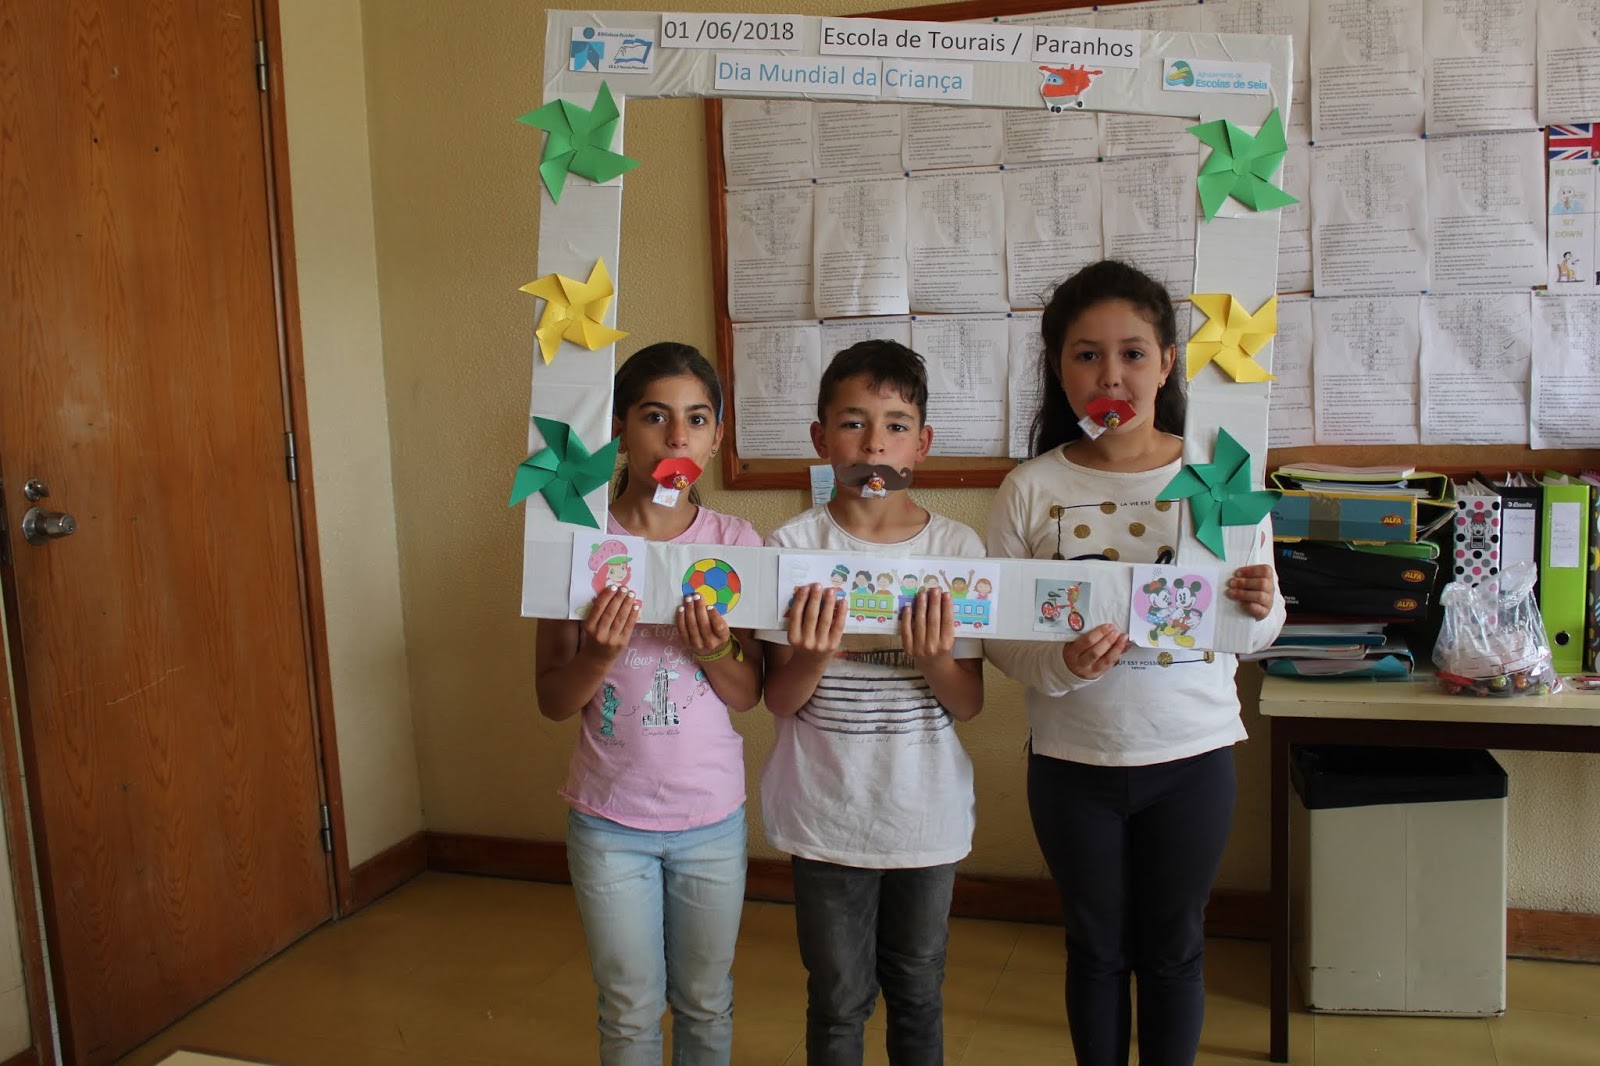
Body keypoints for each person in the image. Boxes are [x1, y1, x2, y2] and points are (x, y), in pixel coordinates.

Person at [984, 261, 1284, 1066]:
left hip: (1192, 754)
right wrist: (1064, 665)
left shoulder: (1218, 476)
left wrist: (1259, 607)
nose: (1110, 375)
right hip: (1073, 762)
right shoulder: (1029, 488)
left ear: (1168, 362)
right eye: (1086, 355)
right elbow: (1000, 637)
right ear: (1059, 368)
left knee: (1175, 946)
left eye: (1132, 353)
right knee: (1095, 946)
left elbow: (1258, 629)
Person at [535, 342, 764, 1066]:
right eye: (655, 416)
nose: (676, 437)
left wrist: (716, 651)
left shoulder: (735, 542)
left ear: (717, 436)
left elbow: (748, 694)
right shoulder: (575, 541)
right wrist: (598, 657)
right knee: (629, 1007)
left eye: (696, 419)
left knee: (706, 997)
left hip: (710, 818)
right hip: (608, 821)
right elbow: (551, 698)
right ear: (620, 431)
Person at [759, 340, 986, 1066]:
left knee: (918, 990)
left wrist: (935, 659)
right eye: (853, 423)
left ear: (922, 443)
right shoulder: (789, 547)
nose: (874, 444)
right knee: (837, 998)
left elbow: (968, 703)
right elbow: (778, 700)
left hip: (925, 815)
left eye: (895, 425)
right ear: (821, 438)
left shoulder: (958, 550)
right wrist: (812, 655)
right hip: (825, 814)